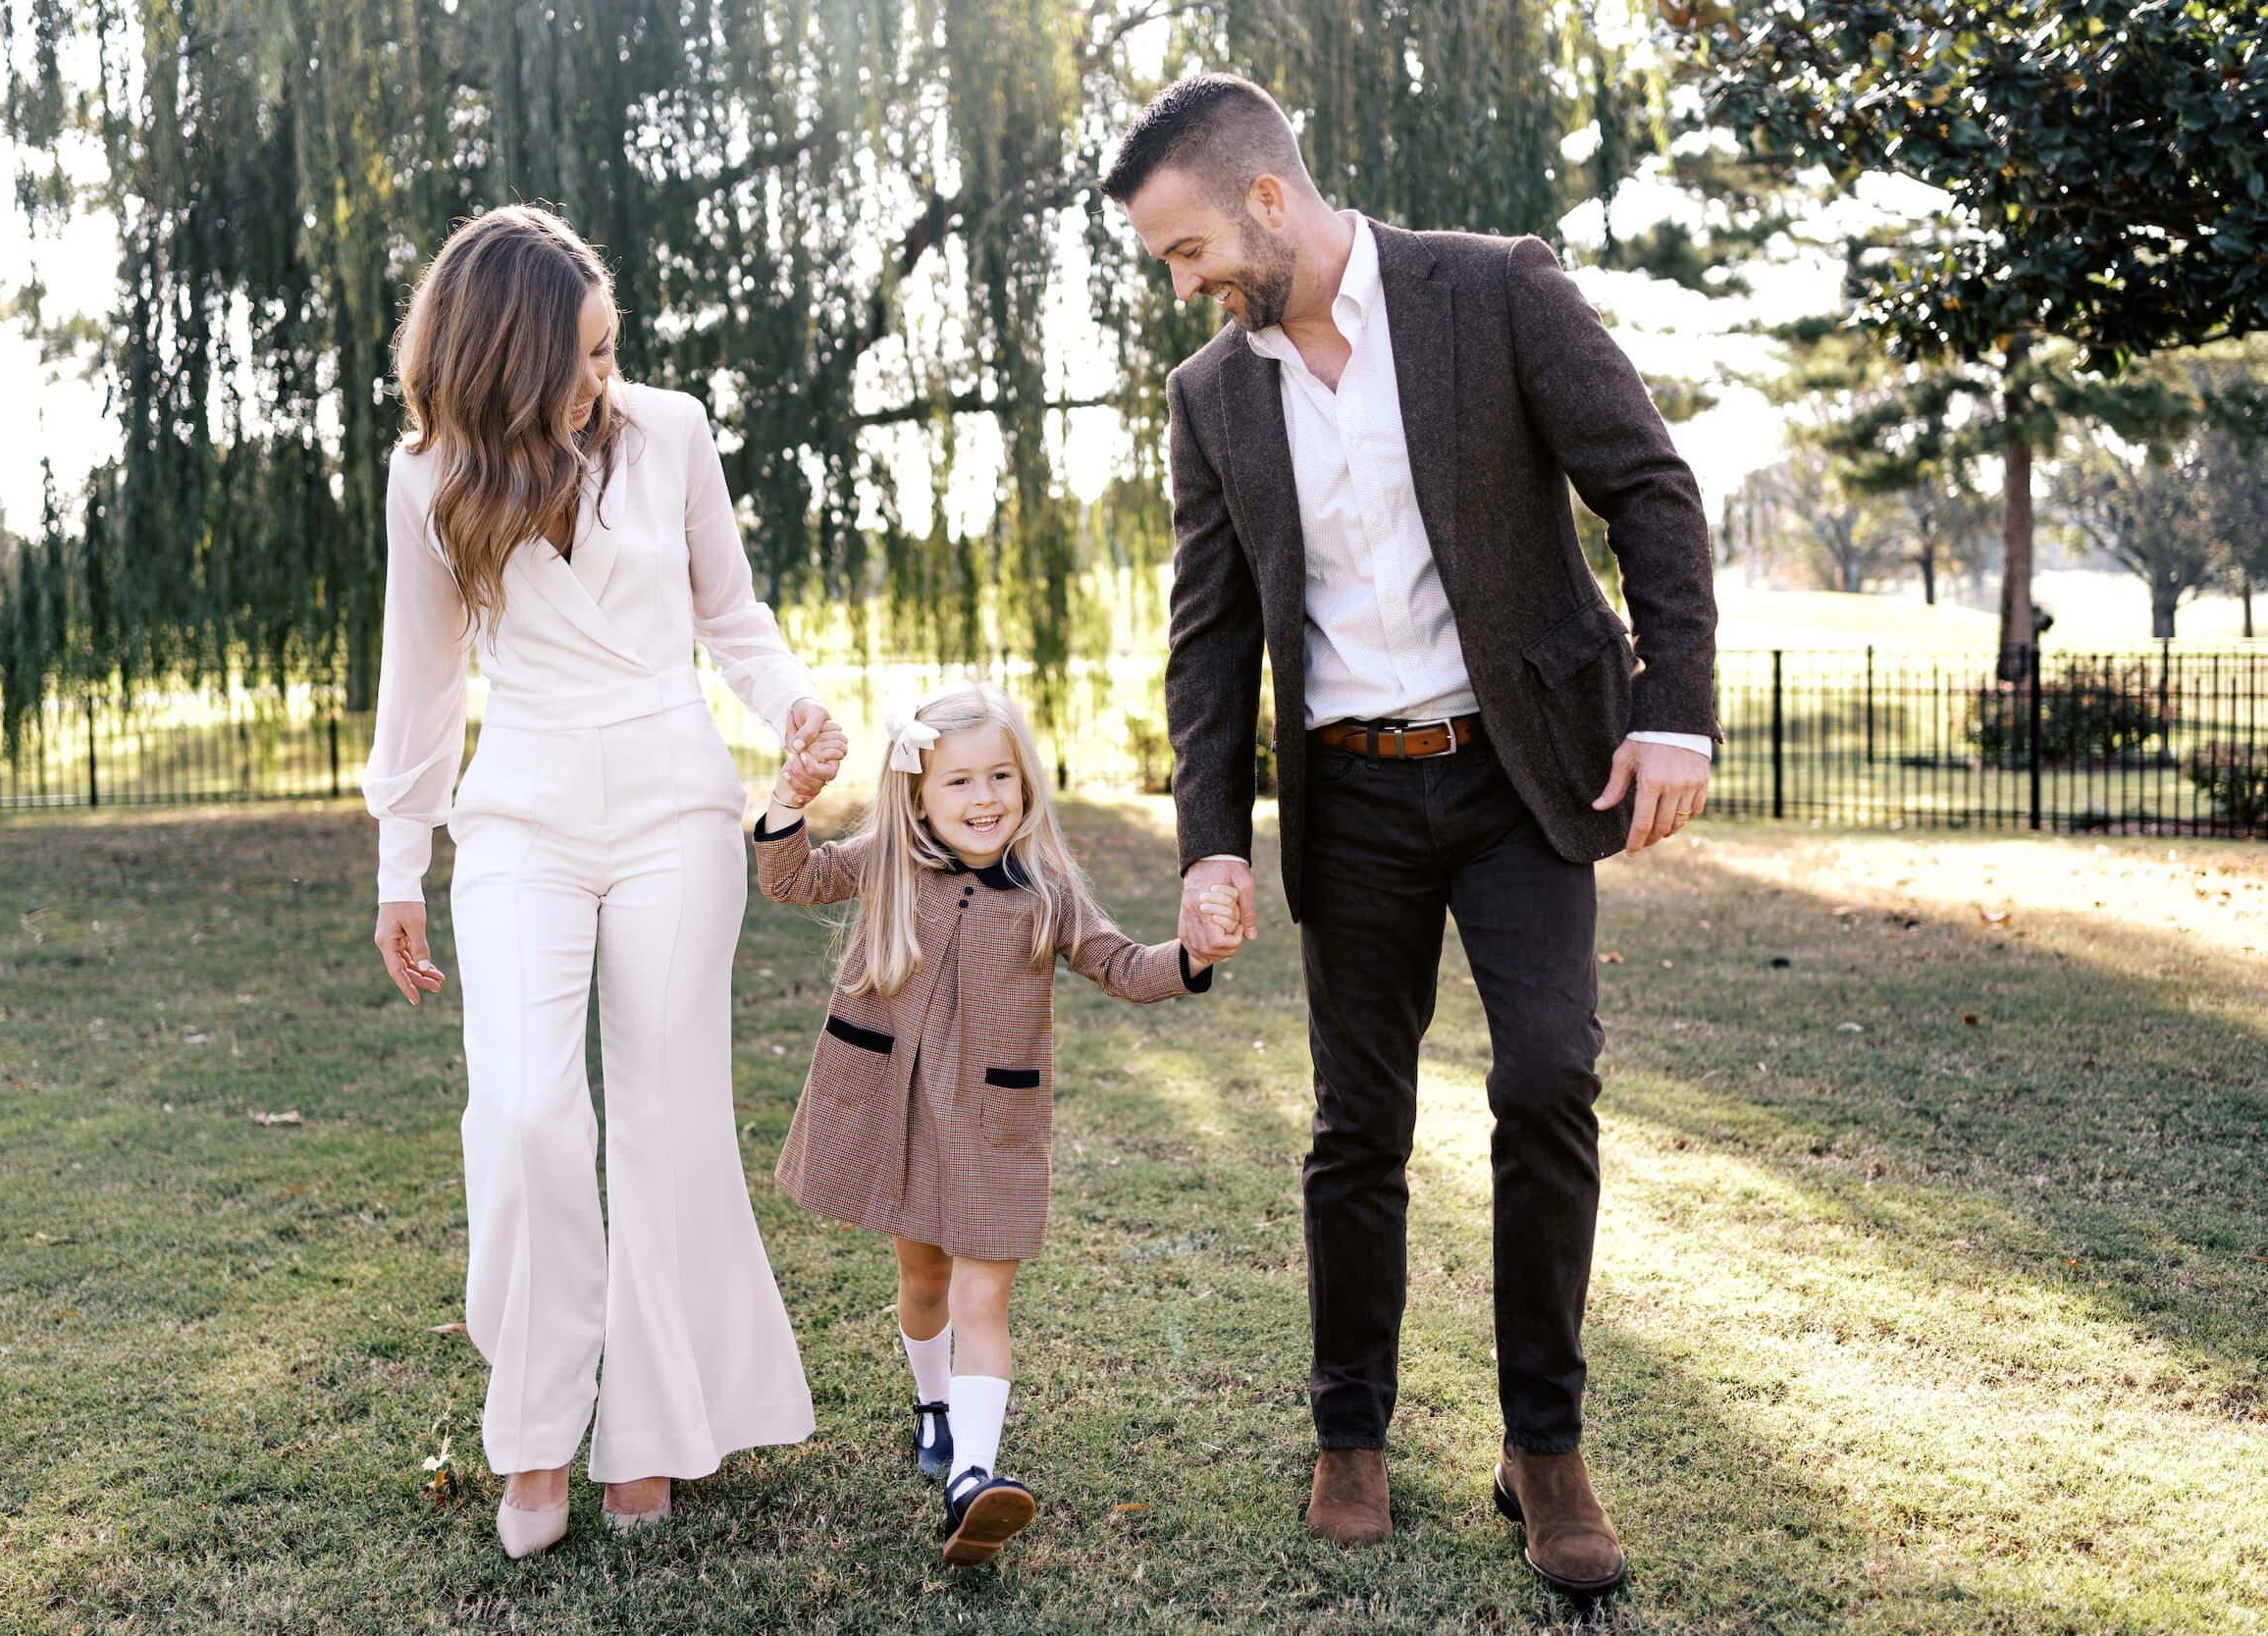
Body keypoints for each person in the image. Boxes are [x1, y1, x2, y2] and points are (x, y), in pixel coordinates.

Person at [1103, 76, 1721, 1595]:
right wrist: (1209, 840)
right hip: (1353, 792)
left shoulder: (1492, 288)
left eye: (1184, 252)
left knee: (1548, 1076)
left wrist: (1678, 711)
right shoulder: (1212, 395)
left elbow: (1649, 486)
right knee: (1355, 1125)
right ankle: (1352, 1432)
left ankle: (1545, 1443)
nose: (1181, 288)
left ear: (1264, 199)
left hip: (1525, 776)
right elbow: (1210, 632)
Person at [361, 204, 847, 1558]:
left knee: (667, 1109)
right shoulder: (428, 480)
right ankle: (530, 1428)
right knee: (522, 1110)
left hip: (671, 805)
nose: (600, 379)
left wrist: (794, 705)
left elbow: (727, 611)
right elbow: (424, 683)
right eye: (578, 355)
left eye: (609, 347)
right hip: (516, 809)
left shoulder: (672, 431)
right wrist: (401, 861)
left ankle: (650, 1429)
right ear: (509, 358)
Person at [751, 680, 1237, 1565]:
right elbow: (791, 877)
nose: (984, 799)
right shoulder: (890, 862)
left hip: (993, 1120)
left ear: (1025, 784)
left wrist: (1193, 955)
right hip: (899, 1108)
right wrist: (787, 799)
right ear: (919, 797)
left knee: (983, 1295)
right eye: (961, 782)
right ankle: (933, 1406)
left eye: (1000, 777)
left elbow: (1123, 965)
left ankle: (972, 1476)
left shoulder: (1047, 890)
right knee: (925, 1281)